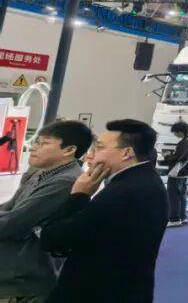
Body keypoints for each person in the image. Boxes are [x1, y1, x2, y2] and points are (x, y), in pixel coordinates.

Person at [40, 119, 168, 303]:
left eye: (99, 148)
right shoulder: (145, 181)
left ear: (127, 153)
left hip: (97, 293)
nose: (89, 157)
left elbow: (55, 239)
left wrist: (79, 195)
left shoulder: (123, 192)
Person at [0, 121, 91, 302]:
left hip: (23, 277)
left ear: (69, 150)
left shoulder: (65, 181)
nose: (33, 147)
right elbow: (10, 207)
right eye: (36, 142)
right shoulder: (41, 170)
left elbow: (14, 223)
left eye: (43, 143)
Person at [162, 121, 188, 227]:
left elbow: (180, 157)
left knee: (173, 196)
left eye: (175, 132)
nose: (175, 134)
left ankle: (174, 219)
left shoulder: (185, 142)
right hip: (184, 173)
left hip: (178, 172)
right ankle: (182, 217)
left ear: (181, 131)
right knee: (181, 195)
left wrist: (167, 156)